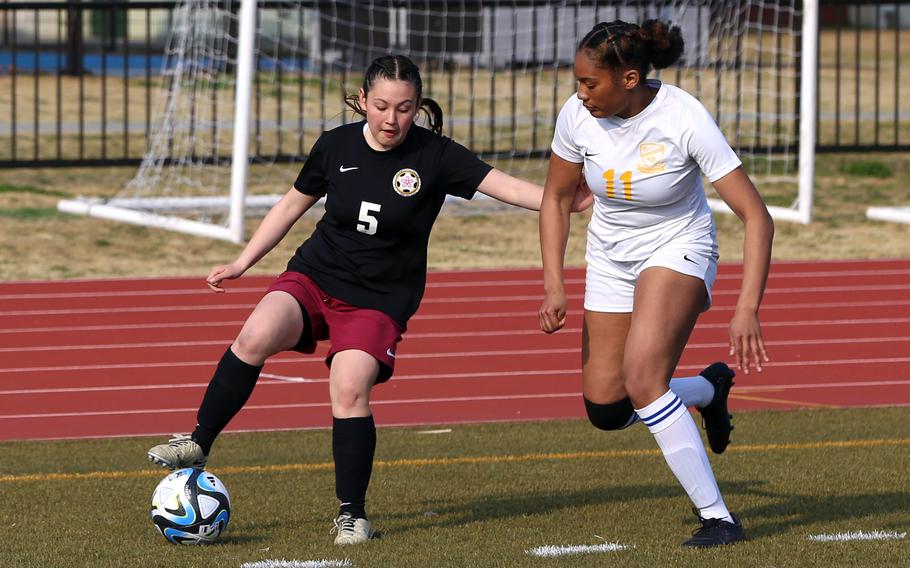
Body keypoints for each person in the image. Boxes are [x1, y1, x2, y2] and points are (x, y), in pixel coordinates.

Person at [147, 54, 591, 546]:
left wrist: (562, 198)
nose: (391, 119)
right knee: (255, 334)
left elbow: (504, 187)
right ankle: (198, 443)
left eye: (404, 108)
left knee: (349, 385)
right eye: (380, 106)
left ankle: (351, 515)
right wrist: (242, 263)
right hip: (317, 274)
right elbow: (292, 204)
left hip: (380, 298)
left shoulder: (436, 156)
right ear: (362, 101)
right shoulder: (335, 145)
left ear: (418, 107)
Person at [538, 20, 774, 547]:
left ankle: (718, 518)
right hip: (610, 258)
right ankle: (708, 390)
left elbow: (757, 217)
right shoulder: (577, 116)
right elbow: (555, 199)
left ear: (628, 78)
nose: (579, 94)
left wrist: (747, 308)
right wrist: (555, 282)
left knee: (644, 379)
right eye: (576, 82)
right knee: (607, 409)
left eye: (589, 84)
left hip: (679, 246)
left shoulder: (683, 117)